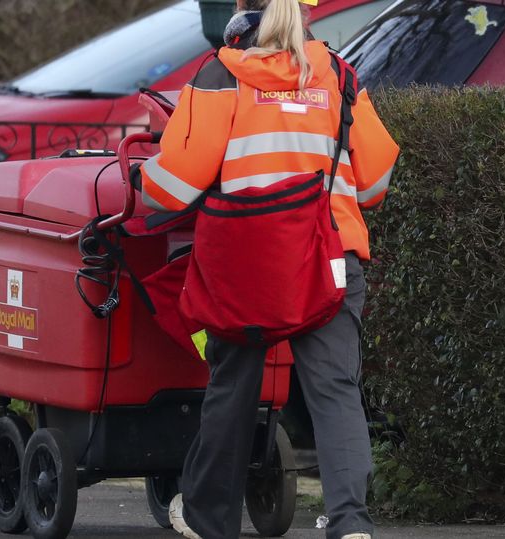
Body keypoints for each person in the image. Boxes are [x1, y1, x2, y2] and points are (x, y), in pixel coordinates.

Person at [137, 0, 399, 538]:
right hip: (329, 257)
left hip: (246, 264)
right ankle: (351, 525)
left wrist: (144, 178)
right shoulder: (339, 74)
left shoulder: (220, 75)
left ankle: (211, 518)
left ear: (242, 14)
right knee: (335, 391)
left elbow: (179, 184)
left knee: (234, 383)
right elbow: (373, 183)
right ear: (307, 12)